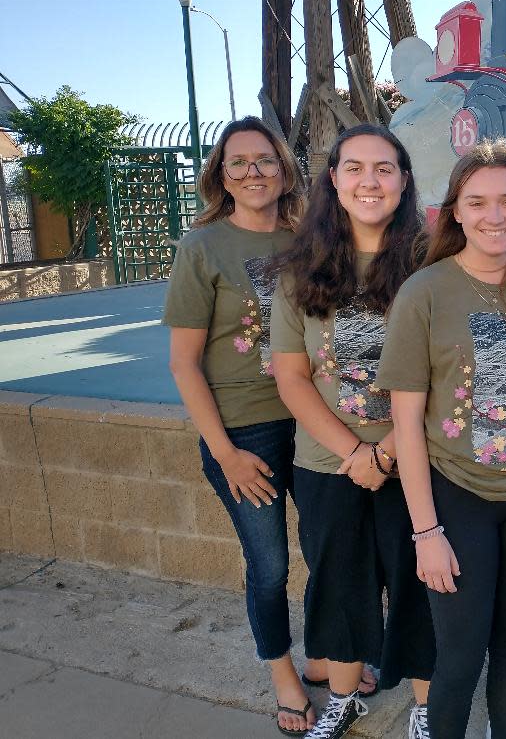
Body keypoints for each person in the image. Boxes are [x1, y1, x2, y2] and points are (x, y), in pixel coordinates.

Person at [378, 140, 506, 739]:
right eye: (479, 202)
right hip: (456, 497)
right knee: (460, 657)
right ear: (456, 212)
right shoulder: (426, 293)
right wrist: (425, 532)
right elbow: (407, 425)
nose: (496, 216)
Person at [270, 125, 436, 739]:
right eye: (355, 168)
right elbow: (292, 377)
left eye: (385, 168)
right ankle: (343, 699)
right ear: (334, 180)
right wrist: (354, 452)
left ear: (404, 180)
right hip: (326, 463)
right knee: (337, 583)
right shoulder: (299, 271)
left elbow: (446, 371)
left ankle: (425, 707)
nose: (370, 181)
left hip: (414, 459)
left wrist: (387, 450)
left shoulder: (431, 261)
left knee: (421, 583)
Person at [163, 115, 324, 735]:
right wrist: (225, 452)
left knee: (326, 549)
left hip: (311, 420)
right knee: (269, 565)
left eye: (265, 160)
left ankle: (327, 657)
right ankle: (282, 672)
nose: (253, 171)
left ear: (284, 170)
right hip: (245, 433)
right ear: (221, 176)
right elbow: (183, 363)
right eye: (239, 162)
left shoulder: (307, 237)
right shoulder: (202, 247)